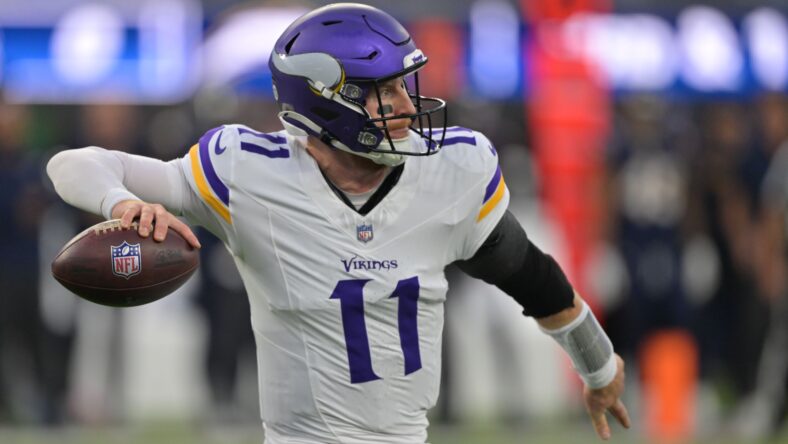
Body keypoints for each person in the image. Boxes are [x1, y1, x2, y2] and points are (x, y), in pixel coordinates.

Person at [46, 4, 629, 443]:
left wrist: (599, 367)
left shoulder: (452, 171)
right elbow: (74, 164)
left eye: (404, 86)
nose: (407, 106)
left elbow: (533, 278)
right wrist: (121, 204)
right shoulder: (248, 171)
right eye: (385, 91)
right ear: (326, 100)